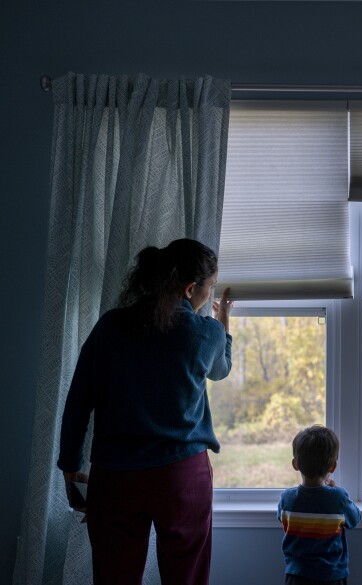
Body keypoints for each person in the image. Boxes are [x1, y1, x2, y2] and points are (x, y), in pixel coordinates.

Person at [56, 238, 234, 585]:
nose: (208, 297)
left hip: (116, 476)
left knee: (114, 577)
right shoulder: (205, 332)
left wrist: (69, 465)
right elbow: (221, 368)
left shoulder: (110, 326)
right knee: (186, 577)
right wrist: (223, 320)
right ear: (189, 289)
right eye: (208, 288)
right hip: (181, 476)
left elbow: (79, 400)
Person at [278, 425, 361, 585]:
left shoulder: (287, 497)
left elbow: (281, 517)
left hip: (296, 575)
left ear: (295, 464)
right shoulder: (337, 497)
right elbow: (355, 519)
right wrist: (334, 490)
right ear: (332, 466)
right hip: (330, 575)